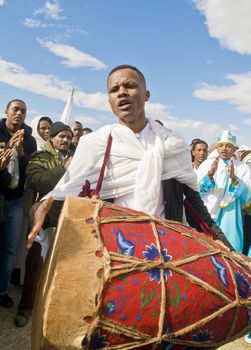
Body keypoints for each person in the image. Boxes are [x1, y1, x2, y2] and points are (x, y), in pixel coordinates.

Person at [27, 65, 233, 260]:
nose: (122, 92)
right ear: (109, 100)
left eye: (130, 86)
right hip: (113, 256)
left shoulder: (173, 145)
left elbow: (195, 207)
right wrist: (39, 209)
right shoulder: (95, 145)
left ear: (146, 94)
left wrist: (229, 250)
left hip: (167, 254)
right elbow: (67, 195)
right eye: (114, 89)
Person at [14, 121, 73, 327]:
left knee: (61, 266)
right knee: (35, 265)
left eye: (68, 137)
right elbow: (36, 181)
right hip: (43, 219)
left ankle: (50, 308)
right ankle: (25, 308)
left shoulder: (78, 158)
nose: (65, 140)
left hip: (67, 219)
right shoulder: (40, 157)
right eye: (61, 136)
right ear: (52, 138)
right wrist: (63, 169)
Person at [0, 99, 37, 308]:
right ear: (6, 111)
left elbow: (30, 172)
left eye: (23, 111)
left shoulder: (29, 140)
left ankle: (2, 291)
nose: (19, 113)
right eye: (15, 109)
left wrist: (21, 154)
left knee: (10, 250)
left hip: (14, 201)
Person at [196, 130, 251, 255]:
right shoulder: (206, 165)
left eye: (228, 146)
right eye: (221, 145)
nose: (224, 149)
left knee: (232, 254)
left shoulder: (242, 168)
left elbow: (248, 198)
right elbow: (195, 191)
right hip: (208, 217)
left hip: (231, 219)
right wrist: (208, 177)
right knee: (207, 253)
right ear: (217, 147)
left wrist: (235, 180)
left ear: (234, 149)